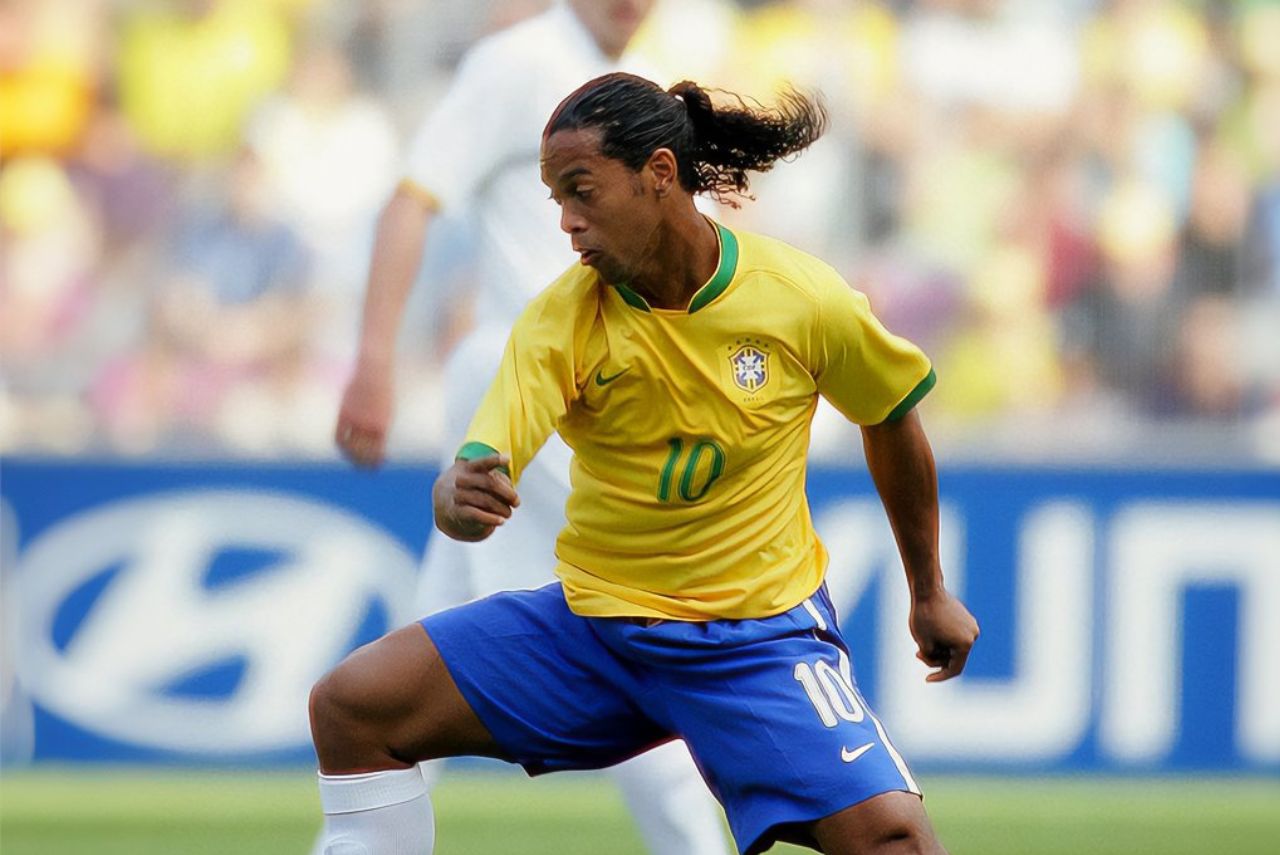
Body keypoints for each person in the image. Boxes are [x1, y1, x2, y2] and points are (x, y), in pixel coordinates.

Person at [312, 72, 979, 855]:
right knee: (352, 706)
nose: (565, 220)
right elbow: (482, 462)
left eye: (581, 191)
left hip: (753, 642)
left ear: (659, 175)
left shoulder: (802, 300)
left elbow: (890, 413)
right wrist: (457, 495)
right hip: (598, 632)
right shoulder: (561, 319)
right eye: (555, 197)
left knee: (898, 844)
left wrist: (928, 590)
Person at [330, 2, 729, 854]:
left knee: (448, 615)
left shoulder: (646, 72)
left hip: (590, 382)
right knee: (634, 614)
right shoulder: (519, 62)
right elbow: (413, 200)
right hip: (538, 380)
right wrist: (373, 358)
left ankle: (358, 839)